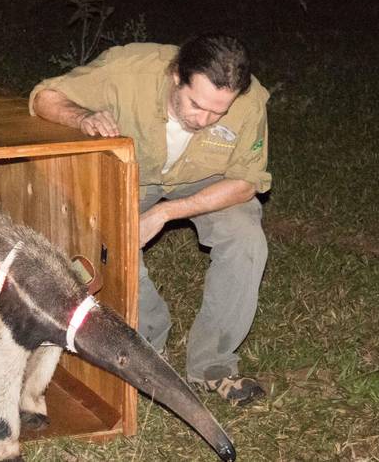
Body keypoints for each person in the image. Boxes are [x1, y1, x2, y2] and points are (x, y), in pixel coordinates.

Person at [30, 34, 269, 405]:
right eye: (196, 104)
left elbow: (245, 183)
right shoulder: (128, 71)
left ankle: (213, 365)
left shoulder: (249, 101)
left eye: (219, 112)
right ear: (176, 75)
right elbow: (44, 97)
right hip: (137, 176)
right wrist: (83, 118)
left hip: (203, 179)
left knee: (245, 236)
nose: (204, 120)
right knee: (112, 238)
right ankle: (148, 348)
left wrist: (165, 213)